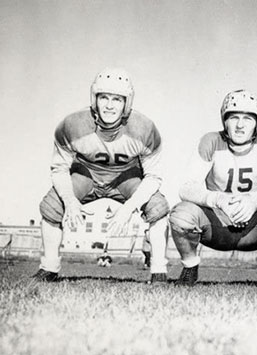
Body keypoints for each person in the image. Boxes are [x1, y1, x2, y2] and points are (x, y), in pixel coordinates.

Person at [32, 68, 170, 283]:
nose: (109, 105)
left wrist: (128, 207)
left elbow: (153, 176)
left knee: (158, 207)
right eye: (103, 97)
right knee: (52, 205)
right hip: (85, 175)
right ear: (94, 98)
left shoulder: (144, 128)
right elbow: (59, 168)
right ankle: (49, 267)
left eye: (117, 99)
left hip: (126, 178)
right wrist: (69, 201)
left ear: (127, 102)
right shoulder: (72, 125)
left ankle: (159, 270)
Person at [169, 89, 257, 287]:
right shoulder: (211, 141)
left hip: (256, 226)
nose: (240, 125)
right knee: (181, 215)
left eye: (248, 119)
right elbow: (186, 188)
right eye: (234, 118)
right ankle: (190, 268)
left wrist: (254, 200)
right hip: (218, 224)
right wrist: (219, 200)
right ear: (224, 121)